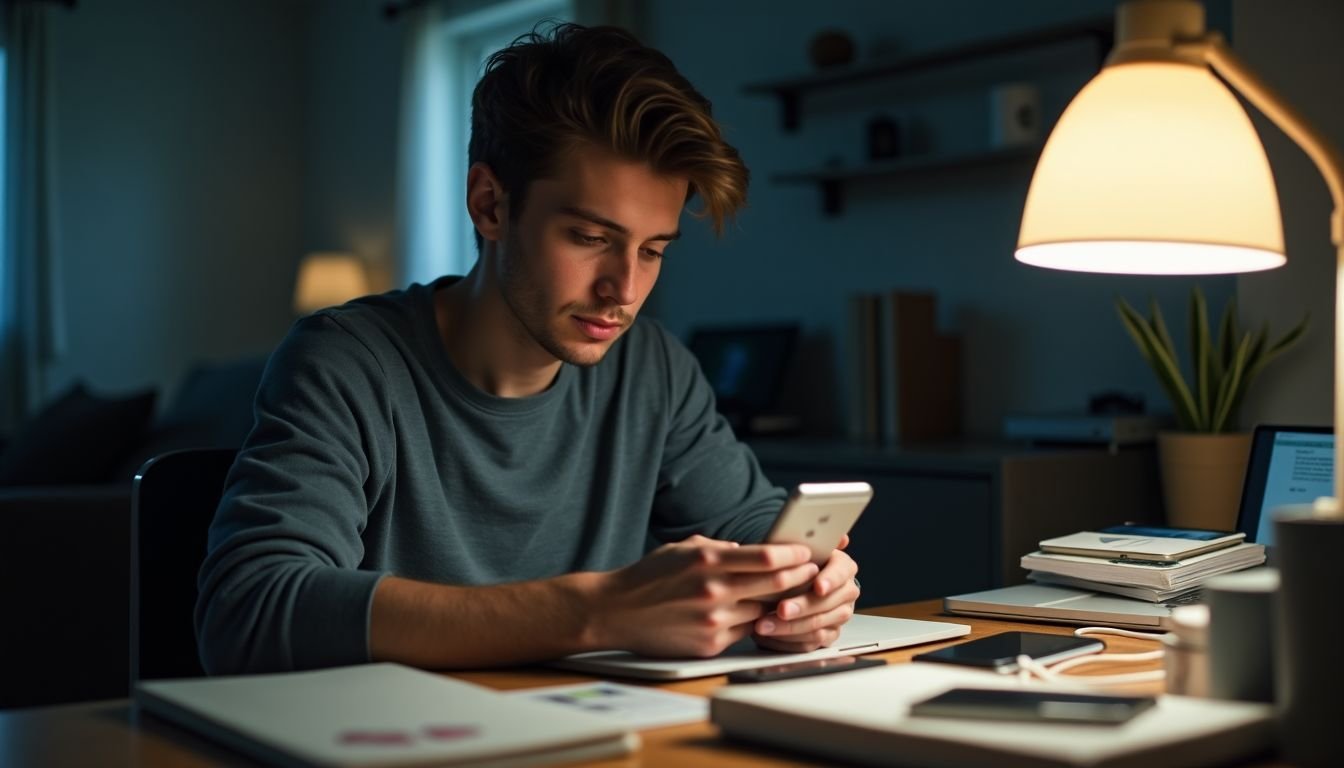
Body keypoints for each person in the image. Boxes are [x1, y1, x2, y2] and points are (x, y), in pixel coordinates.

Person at [195, 22, 859, 675]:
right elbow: (250, 609)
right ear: (489, 205)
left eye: (652, 250)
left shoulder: (652, 368)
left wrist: (811, 586)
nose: (624, 290)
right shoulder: (346, 361)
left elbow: (758, 528)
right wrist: (596, 612)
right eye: (590, 238)